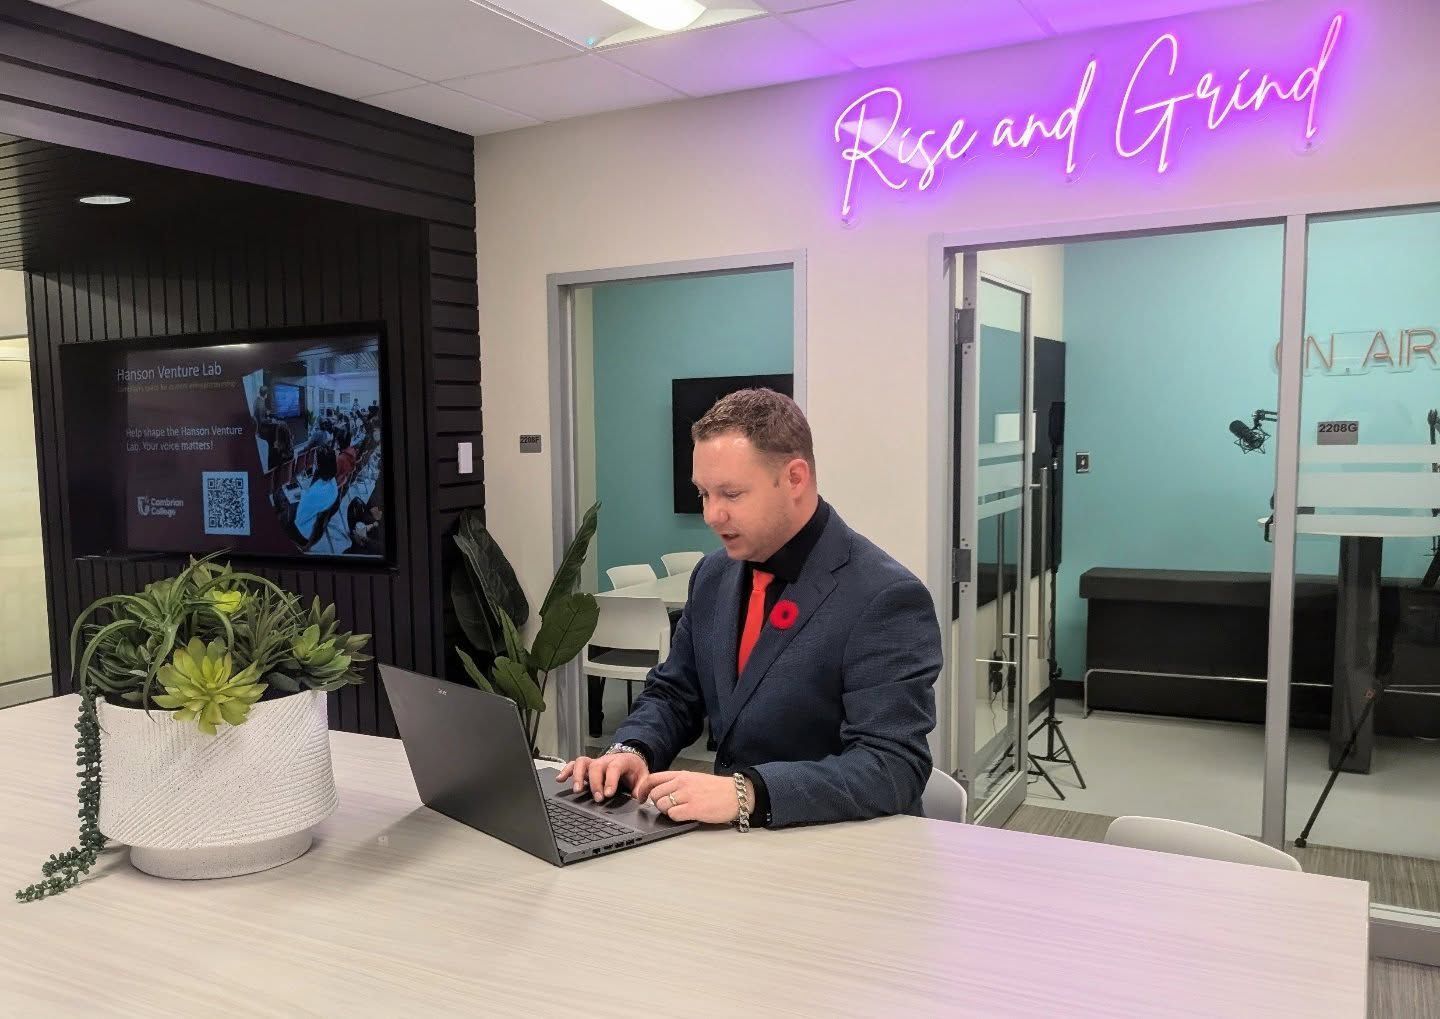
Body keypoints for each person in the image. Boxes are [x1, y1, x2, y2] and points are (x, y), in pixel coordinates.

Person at [558, 389, 941, 830]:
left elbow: (891, 767)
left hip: (844, 851)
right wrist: (632, 748)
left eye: (732, 494)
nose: (711, 515)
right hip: (740, 850)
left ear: (795, 478)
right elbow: (674, 694)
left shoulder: (886, 596)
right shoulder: (713, 576)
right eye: (703, 493)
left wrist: (749, 793)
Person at [293, 446, 339, 544]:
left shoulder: (314, 493)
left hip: (302, 533)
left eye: (315, 460)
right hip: (315, 529)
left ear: (318, 465)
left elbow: (298, 520)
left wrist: (304, 492)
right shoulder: (333, 482)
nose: (313, 462)